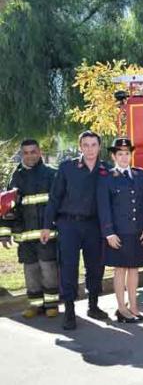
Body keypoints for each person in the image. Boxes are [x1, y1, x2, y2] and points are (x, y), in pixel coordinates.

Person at [42, 130, 111, 330]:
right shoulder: (67, 168)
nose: (90, 149)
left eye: (94, 145)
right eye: (86, 145)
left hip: (94, 226)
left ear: (99, 147)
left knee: (96, 267)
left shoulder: (106, 169)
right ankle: (70, 311)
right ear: (80, 147)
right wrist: (47, 225)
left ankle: (93, 305)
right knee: (69, 267)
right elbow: (54, 198)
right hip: (69, 224)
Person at [97, 138, 143, 323]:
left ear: (131, 155)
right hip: (118, 233)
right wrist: (109, 232)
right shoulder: (106, 178)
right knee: (120, 269)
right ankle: (121, 308)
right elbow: (103, 207)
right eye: (120, 153)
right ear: (113, 156)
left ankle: (134, 306)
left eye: (127, 153)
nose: (124, 157)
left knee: (134, 269)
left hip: (138, 231)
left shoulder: (141, 175)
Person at [0, 139, 59, 318]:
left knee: (48, 269)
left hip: (45, 233)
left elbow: (57, 204)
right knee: (30, 270)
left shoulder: (51, 174)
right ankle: (35, 305)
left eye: (33, 151)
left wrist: (52, 227)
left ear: (39, 152)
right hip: (24, 235)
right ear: (22, 154)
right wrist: (4, 233)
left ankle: (51, 304)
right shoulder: (16, 176)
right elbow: (7, 206)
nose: (30, 155)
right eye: (26, 152)